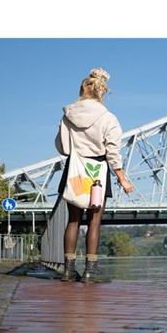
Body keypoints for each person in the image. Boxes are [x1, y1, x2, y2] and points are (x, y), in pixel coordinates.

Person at [55, 68, 134, 283]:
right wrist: (122, 178)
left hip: (75, 169)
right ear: (102, 92)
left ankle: (68, 271)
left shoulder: (68, 114)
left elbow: (62, 147)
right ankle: (91, 271)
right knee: (94, 222)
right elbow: (112, 151)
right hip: (97, 172)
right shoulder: (109, 118)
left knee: (73, 220)